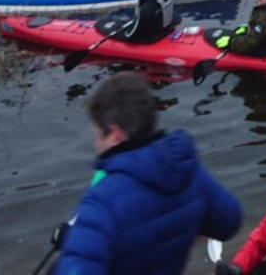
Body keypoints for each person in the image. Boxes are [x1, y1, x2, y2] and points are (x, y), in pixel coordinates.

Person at [51, 72, 243, 274]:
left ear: (116, 135)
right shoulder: (187, 172)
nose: (95, 144)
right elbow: (229, 222)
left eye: (98, 135)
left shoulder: (102, 200)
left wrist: (77, 240)